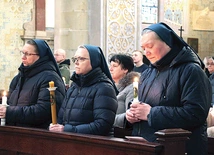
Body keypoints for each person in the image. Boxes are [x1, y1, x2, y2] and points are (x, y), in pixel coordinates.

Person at [126, 23, 211, 155]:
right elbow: (141, 102)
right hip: (147, 146)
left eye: (150, 46)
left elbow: (195, 114)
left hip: (180, 148)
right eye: (143, 48)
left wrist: (151, 114)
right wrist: (132, 114)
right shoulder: (149, 72)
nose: (146, 52)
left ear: (168, 42)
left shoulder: (191, 71)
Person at [49, 45, 118, 136]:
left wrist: (67, 129)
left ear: (94, 62)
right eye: (75, 59)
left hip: (92, 145)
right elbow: (62, 117)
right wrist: (56, 127)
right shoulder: (74, 85)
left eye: (81, 59)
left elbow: (102, 125)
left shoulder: (104, 88)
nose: (76, 63)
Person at [0, 39, 66, 129]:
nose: (23, 57)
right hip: (15, 132)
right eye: (22, 53)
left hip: (36, 135)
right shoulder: (20, 77)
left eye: (27, 54)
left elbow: (43, 111)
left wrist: (9, 112)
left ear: (40, 56)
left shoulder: (50, 78)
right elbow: (10, 102)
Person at [109, 54, 139, 128]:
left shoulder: (132, 88)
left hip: (118, 133)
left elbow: (130, 116)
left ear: (125, 69)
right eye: (110, 65)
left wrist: (106, 120)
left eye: (115, 66)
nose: (110, 69)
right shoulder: (109, 86)